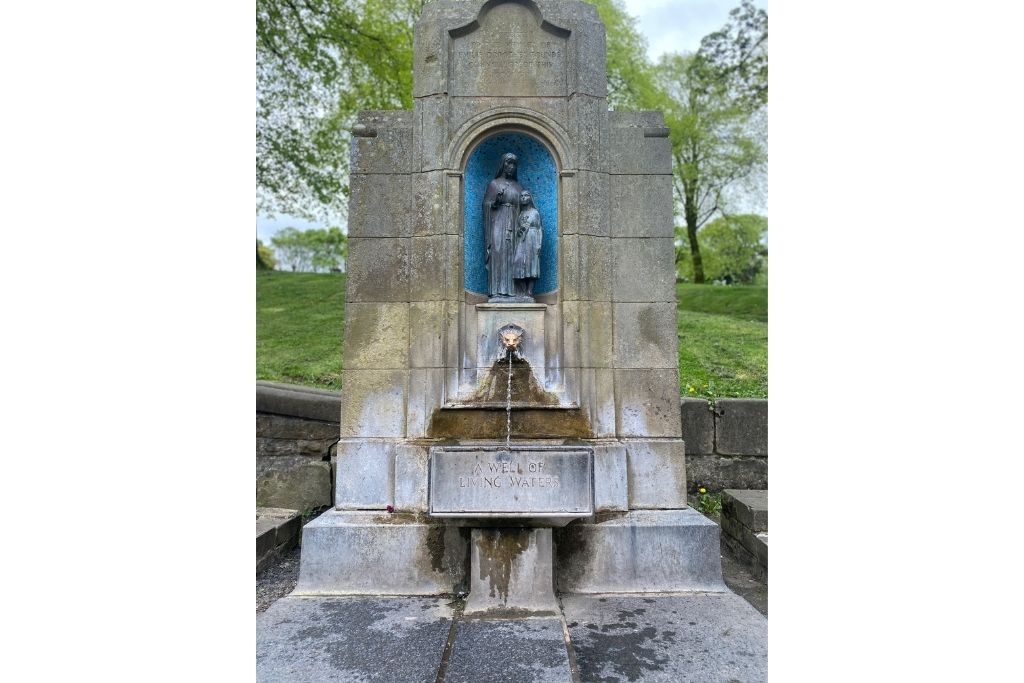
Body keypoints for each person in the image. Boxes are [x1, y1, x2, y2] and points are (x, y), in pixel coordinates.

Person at [482, 153, 524, 299]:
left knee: (515, 255)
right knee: (498, 253)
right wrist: (495, 203)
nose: (511, 167)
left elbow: (525, 206)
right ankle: (497, 291)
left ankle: (516, 291)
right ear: (503, 165)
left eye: (514, 164)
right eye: (508, 163)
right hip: (498, 222)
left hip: (515, 224)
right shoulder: (494, 184)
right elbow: (486, 205)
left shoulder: (519, 187)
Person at [513, 189, 542, 298]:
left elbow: (539, 229)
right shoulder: (520, 214)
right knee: (517, 262)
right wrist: (518, 230)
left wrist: (539, 244)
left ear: (530, 198)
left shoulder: (535, 213)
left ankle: (529, 292)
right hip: (522, 241)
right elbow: (518, 228)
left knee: (532, 265)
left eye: (526, 195)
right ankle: (523, 290)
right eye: (521, 196)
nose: (523, 198)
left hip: (533, 239)